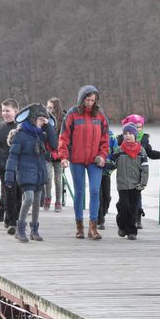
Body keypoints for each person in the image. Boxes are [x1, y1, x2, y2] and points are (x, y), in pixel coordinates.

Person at [58, 85, 109, 240]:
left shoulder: (100, 114)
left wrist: (103, 155)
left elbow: (105, 139)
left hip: (95, 160)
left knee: (94, 191)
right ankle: (79, 227)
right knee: (79, 192)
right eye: (87, 100)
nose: (89, 103)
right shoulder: (72, 114)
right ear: (81, 99)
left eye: (92, 100)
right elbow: (64, 138)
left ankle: (93, 228)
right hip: (76, 159)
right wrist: (64, 157)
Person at [5, 103, 58, 242]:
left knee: (36, 202)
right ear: (33, 119)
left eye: (45, 120)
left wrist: (49, 127)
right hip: (25, 172)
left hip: (39, 172)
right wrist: (9, 176)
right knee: (28, 198)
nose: (43, 122)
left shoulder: (42, 134)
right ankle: (20, 228)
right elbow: (13, 157)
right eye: (41, 119)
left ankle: (34, 229)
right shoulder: (20, 135)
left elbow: (54, 145)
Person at [117, 114, 159, 229]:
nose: (138, 128)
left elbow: (149, 154)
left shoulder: (144, 141)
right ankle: (123, 223)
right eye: (136, 126)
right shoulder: (120, 142)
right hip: (124, 179)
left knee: (135, 202)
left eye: (140, 126)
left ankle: (135, 223)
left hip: (137, 178)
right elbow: (114, 159)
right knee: (124, 204)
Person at [110, 122, 148, 240]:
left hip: (136, 185)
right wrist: (102, 163)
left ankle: (132, 231)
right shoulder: (118, 150)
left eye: (130, 133)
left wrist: (143, 183)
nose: (127, 136)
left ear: (135, 135)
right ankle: (121, 226)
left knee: (133, 208)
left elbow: (145, 168)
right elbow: (112, 164)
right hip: (122, 184)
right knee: (124, 206)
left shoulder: (141, 151)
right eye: (125, 133)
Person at [0, 98, 21, 233]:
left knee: (19, 194)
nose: (5, 113)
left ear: (16, 111)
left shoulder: (22, 127)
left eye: (8, 111)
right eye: (3, 111)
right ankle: (11, 221)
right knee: (9, 193)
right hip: (4, 167)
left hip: (20, 167)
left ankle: (14, 217)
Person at [44, 97, 64, 212]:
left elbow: (65, 138)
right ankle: (48, 198)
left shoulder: (62, 120)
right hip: (47, 153)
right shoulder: (45, 119)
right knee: (48, 177)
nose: (48, 109)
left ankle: (58, 201)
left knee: (58, 179)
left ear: (56, 108)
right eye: (47, 107)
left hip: (59, 153)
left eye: (50, 107)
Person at [97, 125, 118, 230]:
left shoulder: (111, 136)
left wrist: (112, 163)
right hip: (95, 169)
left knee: (106, 196)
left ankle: (103, 213)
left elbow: (116, 151)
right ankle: (100, 220)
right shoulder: (93, 133)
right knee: (98, 195)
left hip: (107, 171)